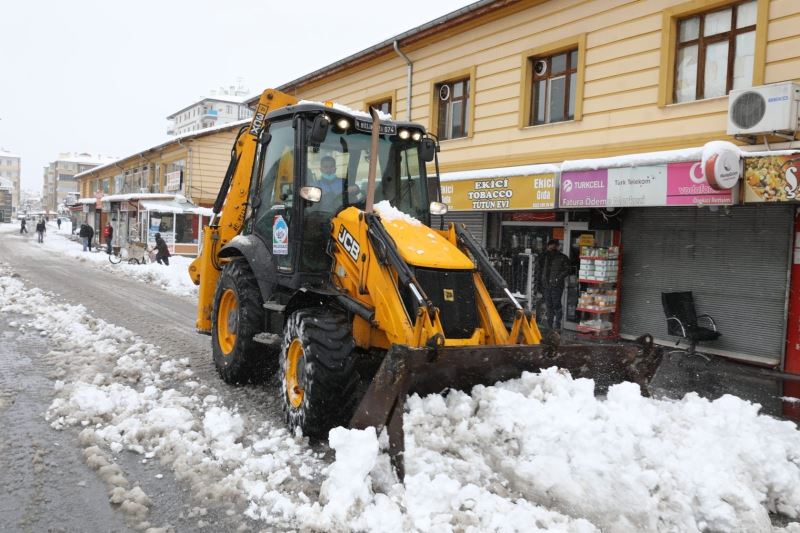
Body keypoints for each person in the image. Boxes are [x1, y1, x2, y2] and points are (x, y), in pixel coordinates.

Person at [535, 238, 571, 330]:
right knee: (549, 305)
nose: (551, 247)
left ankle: (557, 325)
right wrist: (541, 283)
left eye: (553, 245)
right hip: (547, 285)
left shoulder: (562, 257)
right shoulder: (545, 256)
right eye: (550, 245)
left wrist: (557, 279)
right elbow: (539, 269)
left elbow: (567, 270)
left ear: (557, 246)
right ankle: (550, 325)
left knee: (556, 305)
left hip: (556, 285)